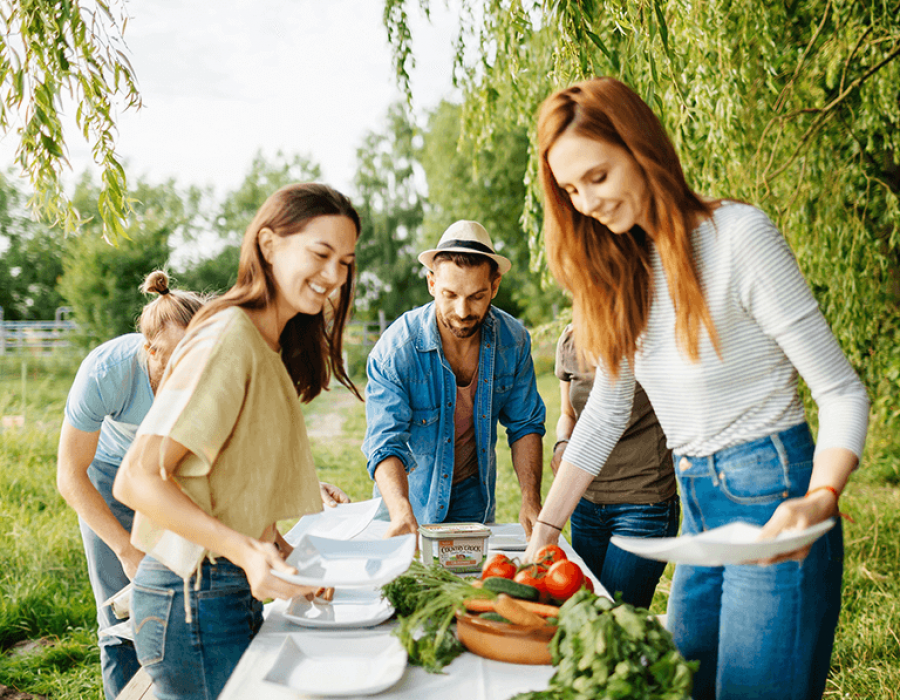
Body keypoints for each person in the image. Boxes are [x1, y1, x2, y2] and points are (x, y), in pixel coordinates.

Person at [524, 77, 869, 700]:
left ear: (639, 147)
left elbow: (842, 391)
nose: (587, 202)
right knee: (682, 684)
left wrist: (820, 499)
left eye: (598, 177)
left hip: (776, 500)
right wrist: (546, 533)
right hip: (699, 505)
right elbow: (603, 413)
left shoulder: (738, 236)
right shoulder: (623, 271)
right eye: (571, 190)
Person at [112, 183, 362, 700]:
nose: (335, 276)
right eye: (320, 254)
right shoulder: (229, 337)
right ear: (268, 245)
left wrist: (281, 556)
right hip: (192, 600)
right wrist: (246, 553)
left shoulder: (266, 346)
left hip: (220, 594)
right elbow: (137, 477)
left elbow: (230, 480)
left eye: (345, 261)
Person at [56, 270, 207, 700]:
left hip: (174, 473)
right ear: (149, 350)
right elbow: (70, 474)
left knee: (188, 599)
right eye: (175, 360)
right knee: (121, 614)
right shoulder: (108, 371)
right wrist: (126, 549)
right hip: (108, 474)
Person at [362, 220, 546, 538]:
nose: (462, 311)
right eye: (450, 295)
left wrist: (531, 499)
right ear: (432, 283)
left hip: (474, 499)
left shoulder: (513, 340)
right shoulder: (395, 351)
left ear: (496, 286)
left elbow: (525, 425)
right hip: (408, 503)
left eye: (477, 296)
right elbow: (384, 442)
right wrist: (401, 510)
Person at [552, 323, 678, 608]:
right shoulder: (570, 341)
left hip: (642, 504)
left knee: (616, 617)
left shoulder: (648, 336)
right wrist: (562, 442)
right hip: (585, 502)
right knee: (587, 613)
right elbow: (567, 413)